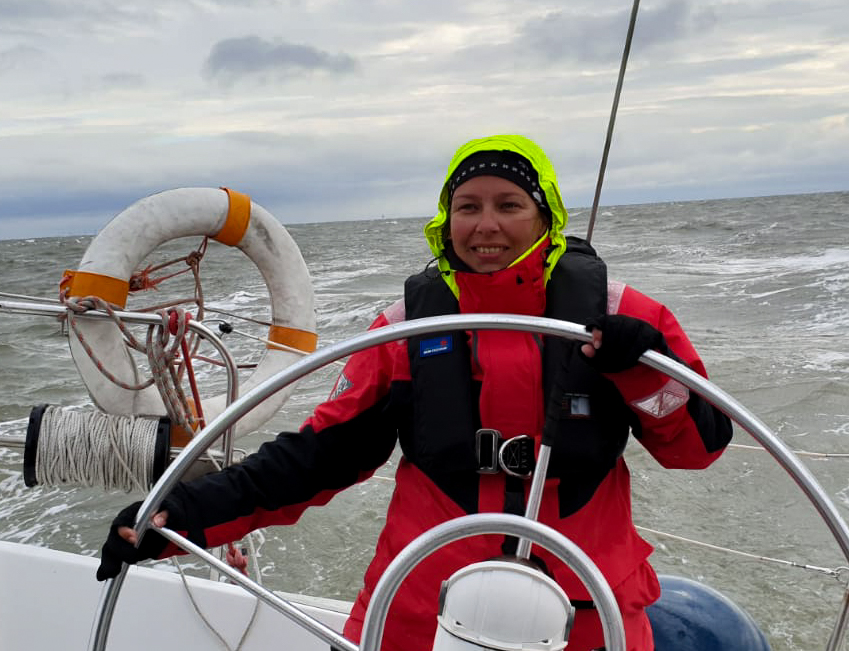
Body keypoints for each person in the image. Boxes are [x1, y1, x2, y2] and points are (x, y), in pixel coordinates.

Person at [98, 134, 733, 651]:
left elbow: (698, 447)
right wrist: (182, 515)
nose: (487, 225)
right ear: (446, 219)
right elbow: (320, 456)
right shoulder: (404, 328)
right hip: (420, 606)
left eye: (509, 204)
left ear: (545, 215)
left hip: (586, 609)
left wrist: (642, 369)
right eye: (468, 206)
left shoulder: (623, 315)